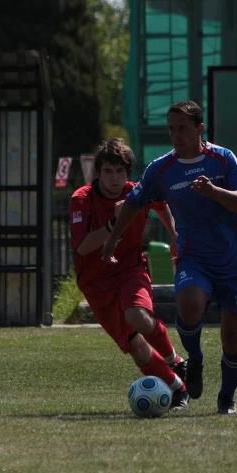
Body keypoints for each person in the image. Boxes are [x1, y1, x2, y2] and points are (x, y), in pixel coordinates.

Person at [101, 100, 237, 415]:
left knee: (233, 336)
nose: (176, 135)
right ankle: (196, 359)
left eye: (183, 129)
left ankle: (226, 398)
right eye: (171, 129)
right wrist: (113, 239)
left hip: (234, 260)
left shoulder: (223, 159)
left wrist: (215, 192)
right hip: (194, 256)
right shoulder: (162, 169)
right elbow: (134, 202)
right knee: (188, 306)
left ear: (200, 129)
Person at [69, 138, 189, 410]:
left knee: (136, 314)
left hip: (130, 269)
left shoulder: (137, 192)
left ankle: (174, 360)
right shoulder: (81, 199)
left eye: (120, 171)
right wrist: (116, 221)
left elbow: (161, 204)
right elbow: (84, 246)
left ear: (127, 173)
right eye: (108, 171)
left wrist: (174, 235)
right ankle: (178, 388)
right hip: (96, 284)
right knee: (135, 346)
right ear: (98, 173)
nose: (114, 178)